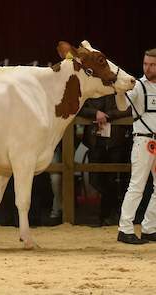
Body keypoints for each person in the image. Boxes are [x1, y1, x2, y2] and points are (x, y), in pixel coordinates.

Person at [118, 47, 156, 244]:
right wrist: (120, 92)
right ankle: (125, 228)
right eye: (145, 64)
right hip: (143, 140)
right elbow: (122, 106)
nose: (147, 68)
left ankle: (150, 227)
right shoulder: (137, 86)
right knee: (137, 185)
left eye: (152, 65)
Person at [79, 94, 132, 226]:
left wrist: (108, 115)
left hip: (116, 141)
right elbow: (79, 108)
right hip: (95, 141)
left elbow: (130, 108)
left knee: (113, 179)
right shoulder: (92, 90)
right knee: (95, 179)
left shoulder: (120, 89)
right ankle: (106, 212)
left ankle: (107, 214)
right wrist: (95, 113)